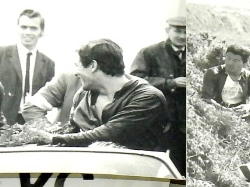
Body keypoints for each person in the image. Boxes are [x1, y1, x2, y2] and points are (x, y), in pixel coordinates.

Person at [22, 39, 167, 152]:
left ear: (93, 66)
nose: (76, 72)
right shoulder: (84, 93)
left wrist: (53, 138)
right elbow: (73, 130)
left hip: (135, 179)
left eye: (77, 65)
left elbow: (110, 132)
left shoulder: (148, 97)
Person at [129, 16, 187, 172]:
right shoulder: (150, 52)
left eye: (186, 32)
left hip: (183, 124)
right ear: (168, 31)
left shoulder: (192, 55)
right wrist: (170, 83)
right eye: (178, 31)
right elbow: (136, 79)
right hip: (157, 120)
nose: (182, 36)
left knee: (179, 169)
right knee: (148, 163)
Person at [0, 9, 56, 124]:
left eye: (33, 28)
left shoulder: (48, 64)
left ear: (41, 32)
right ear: (17, 28)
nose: (28, 32)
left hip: (32, 125)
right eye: (23, 27)